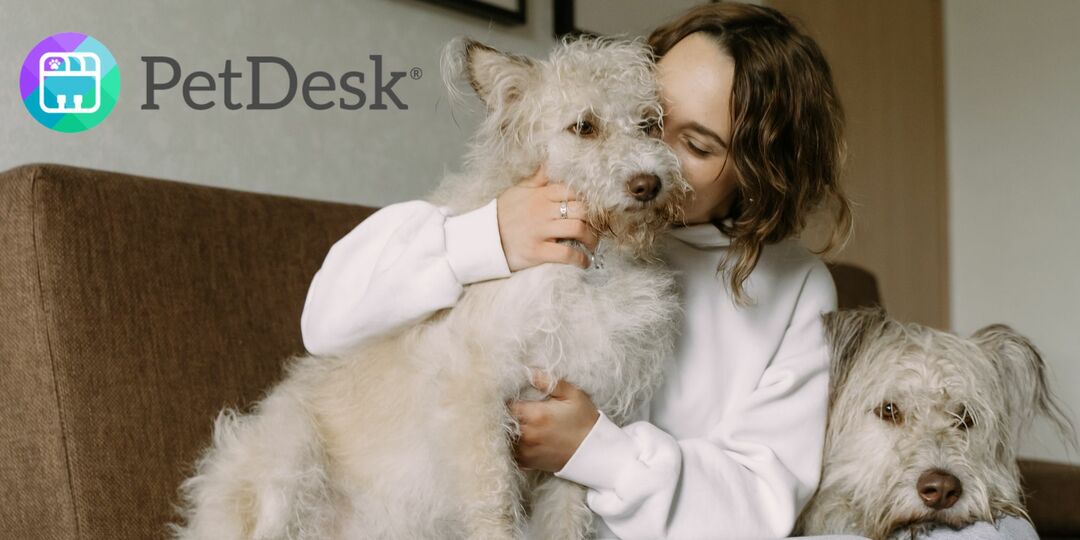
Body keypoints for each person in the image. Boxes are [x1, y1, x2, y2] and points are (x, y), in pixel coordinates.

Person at [302, 3, 851, 538]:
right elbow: (325, 322)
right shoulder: (526, 208)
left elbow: (761, 505)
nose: (643, 156)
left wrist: (596, 450)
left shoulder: (795, 289)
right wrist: (487, 235)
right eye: (651, 116)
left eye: (696, 144)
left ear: (761, 171)